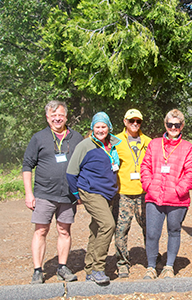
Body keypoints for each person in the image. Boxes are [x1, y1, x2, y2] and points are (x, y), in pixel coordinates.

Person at [22, 100, 83, 284]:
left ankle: (62, 267)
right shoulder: (39, 138)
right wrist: (28, 193)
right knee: (41, 230)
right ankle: (38, 270)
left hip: (68, 195)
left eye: (61, 115)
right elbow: (27, 166)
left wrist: (80, 191)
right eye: (53, 115)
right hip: (44, 194)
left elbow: (84, 165)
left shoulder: (76, 138)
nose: (57, 119)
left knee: (64, 230)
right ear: (47, 117)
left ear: (66, 117)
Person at [140, 109, 192, 279]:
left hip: (177, 200)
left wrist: (178, 190)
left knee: (174, 231)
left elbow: (191, 173)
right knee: (152, 233)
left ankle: (169, 266)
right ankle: (151, 266)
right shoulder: (154, 144)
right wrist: (149, 186)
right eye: (170, 124)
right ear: (165, 124)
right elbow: (145, 166)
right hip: (154, 197)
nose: (173, 127)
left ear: (182, 126)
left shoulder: (187, 147)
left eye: (177, 125)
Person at [66, 112, 121, 284]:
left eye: (103, 126)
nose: (100, 130)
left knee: (96, 229)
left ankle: (89, 269)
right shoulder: (85, 145)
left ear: (109, 127)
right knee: (108, 225)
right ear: (92, 128)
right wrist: (77, 195)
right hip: (90, 191)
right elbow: (71, 172)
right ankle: (98, 268)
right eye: (97, 127)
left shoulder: (112, 145)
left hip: (108, 193)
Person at [114, 108, 152, 278]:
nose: (135, 124)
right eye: (131, 121)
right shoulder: (115, 141)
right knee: (121, 230)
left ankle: (151, 260)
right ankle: (122, 263)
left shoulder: (148, 142)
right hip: (123, 194)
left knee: (149, 229)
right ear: (125, 122)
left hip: (144, 193)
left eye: (138, 121)